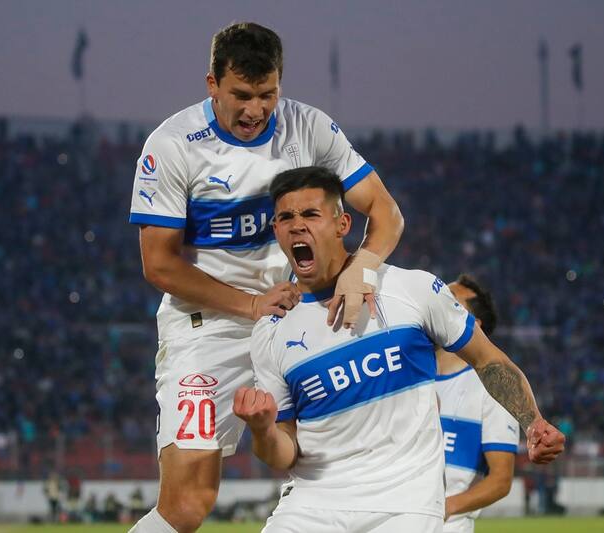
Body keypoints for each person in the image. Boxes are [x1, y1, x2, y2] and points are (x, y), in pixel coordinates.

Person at [127, 23, 403, 533]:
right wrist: (251, 305)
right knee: (187, 504)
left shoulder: (310, 128)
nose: (255, 109)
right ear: (212, 84)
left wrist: (360, 270)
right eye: (241, 95)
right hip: (206, 335)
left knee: (340, 474)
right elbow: (159, 264)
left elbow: (386, 213)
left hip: (297, 327)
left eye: (267, 94)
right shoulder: (172, 145)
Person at [234, 167, 565, 532]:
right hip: (312, 505)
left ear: (343, 224)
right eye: (285, 217)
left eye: (310, 214)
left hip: (404, 506)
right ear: (276, 230)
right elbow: (284, 452)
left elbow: (487, 359)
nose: (297, 225)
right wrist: (264, 430)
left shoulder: (412, 289)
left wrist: (532, 421)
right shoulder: (271, 330)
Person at [435, 274, 517, 532]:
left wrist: (446, 507)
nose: (437, 304)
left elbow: (501, 479)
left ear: (474, 325)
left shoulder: (491, 389)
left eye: (451, 301)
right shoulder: (408, 375)